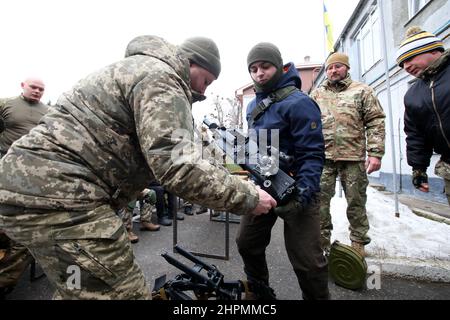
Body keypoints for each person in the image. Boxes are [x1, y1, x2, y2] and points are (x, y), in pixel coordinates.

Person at [0, 35, 276, 300]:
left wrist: (229, 179)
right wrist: (249, 197)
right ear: (191, 63)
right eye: (205, 80)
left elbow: (184, 153)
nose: (204, 90)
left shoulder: (139, 70)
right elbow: (179, 168)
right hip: (62, 198)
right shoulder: (162, 78)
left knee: (81, 285)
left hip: (38, 190)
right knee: (120, 292)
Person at [236, 42, 329, 300]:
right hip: (263, 187)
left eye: (265, 66)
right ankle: (259, 292)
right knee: (247, 243)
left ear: (278, 66)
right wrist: (244, 159)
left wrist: (302, 195)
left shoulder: (299, 103)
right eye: (253, 69)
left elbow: (312, 154)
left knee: (308, 263)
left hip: (298, 188)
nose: (259, 73)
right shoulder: (252, 106)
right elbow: (255, 149)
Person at [310, 53, 386, 257]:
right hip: (323, 159)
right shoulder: (317, 95)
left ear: (347, 68)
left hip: (353, 158)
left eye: (338, 66)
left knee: (356, 202)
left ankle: (358, 245)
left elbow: (375, 121)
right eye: (329, 68)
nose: (333, 71)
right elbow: (307, 124)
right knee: (319, 203)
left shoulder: (362, 91)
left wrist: (376, 153)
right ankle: (321, 245)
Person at [0, 78, 49, 298]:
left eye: (41, 89)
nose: (37, 91)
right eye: (34, 87)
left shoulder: (48, 112)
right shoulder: (5, 105)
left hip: (33, 175)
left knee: (25, 230)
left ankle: (5, 280)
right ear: (23, 85)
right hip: (4, 169)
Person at [396, 27, 449, 206]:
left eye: (409, 59)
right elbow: (415, 134)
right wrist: (418, 169)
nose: (406, 67)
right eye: (402, 63)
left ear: (433, 50)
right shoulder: (413, 94)